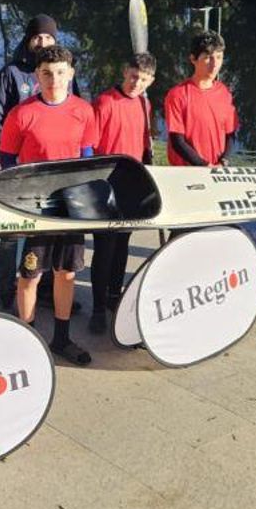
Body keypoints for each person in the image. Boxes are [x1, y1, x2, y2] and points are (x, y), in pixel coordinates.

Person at [0, 45, 99, 365]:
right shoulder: (21, 114)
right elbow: (7, 162)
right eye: (46, 73)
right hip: (36, 208)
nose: (53, 79)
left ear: (71, 74)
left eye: (59, 73)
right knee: (30, 275)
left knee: (66, 273)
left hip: (70, 207)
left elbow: (86, 158)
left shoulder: (84, 111)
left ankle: (61, 338)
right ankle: (25, 337)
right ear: (36, 77)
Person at [0, 14, 84, 311]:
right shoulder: (10, 73)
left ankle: (47, 290)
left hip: (57, 173)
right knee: (13, 234)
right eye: (37, 37)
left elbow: (74, 114)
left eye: (48, 38)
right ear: (28, 40)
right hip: (20, 167)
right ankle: (6, 290)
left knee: (53, 232)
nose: (42, 42)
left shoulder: (64, 72)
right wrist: (13, 158)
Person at [88, 53, 156, 334]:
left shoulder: (144, 103)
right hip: (106, 184)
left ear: (150, 80)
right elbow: (91, 147)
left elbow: (144, 145)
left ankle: (115, 297)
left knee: (123, 245)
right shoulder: (105, 102)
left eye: (142, 79)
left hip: (132, 183)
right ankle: (97, 307)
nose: (135, 83)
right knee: (104, 247)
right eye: (132, 76)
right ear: (124, 70)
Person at [163, 31, 239, 168]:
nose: (215, 64)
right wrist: (203, 165)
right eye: (208, 58)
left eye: (219, 57)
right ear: (193, 59)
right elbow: (177, 141)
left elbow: (231, 134)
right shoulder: (177, 94)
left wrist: (223, 162)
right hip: (187, 173)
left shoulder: (224, 93)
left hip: (217, 172)